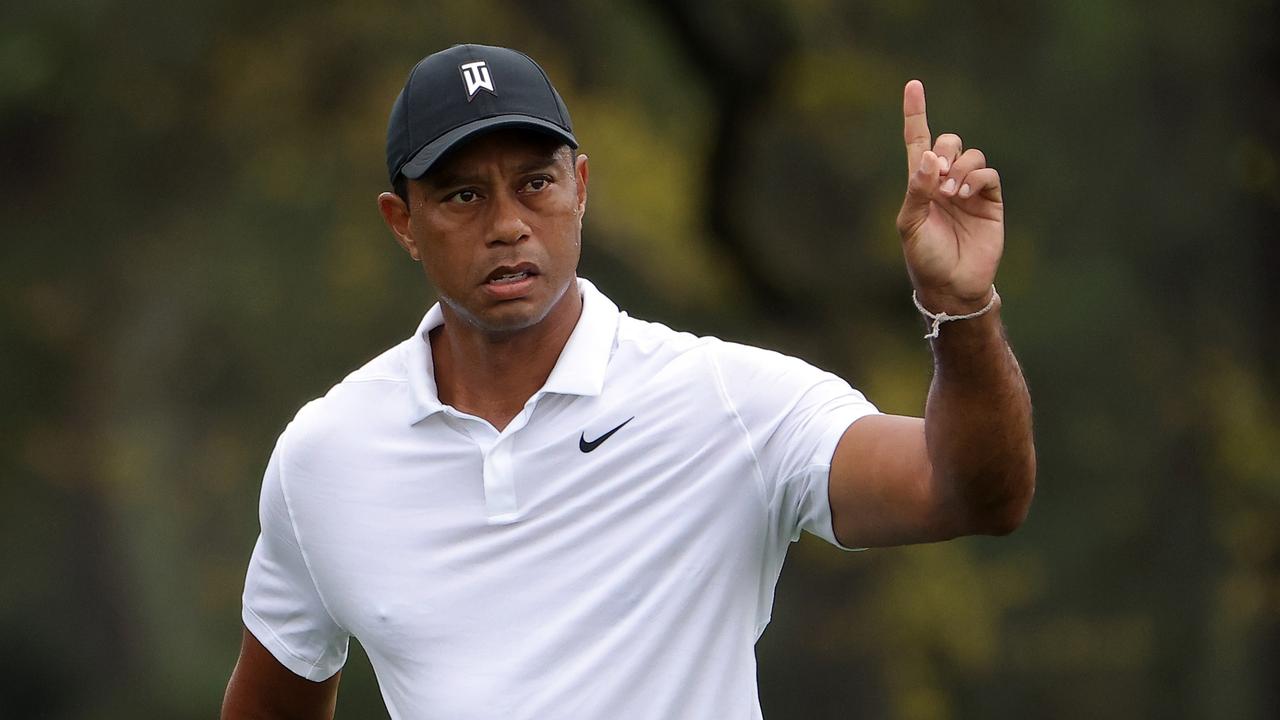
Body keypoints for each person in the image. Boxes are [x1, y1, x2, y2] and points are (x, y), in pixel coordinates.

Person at [220, 43, 1035, 719]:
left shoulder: (725, 402)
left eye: (534, 182)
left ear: (580, 185)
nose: (506, 224)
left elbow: (968, 493)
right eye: (462, 195)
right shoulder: (326, 456)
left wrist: (960, 310)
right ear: (402, 222)